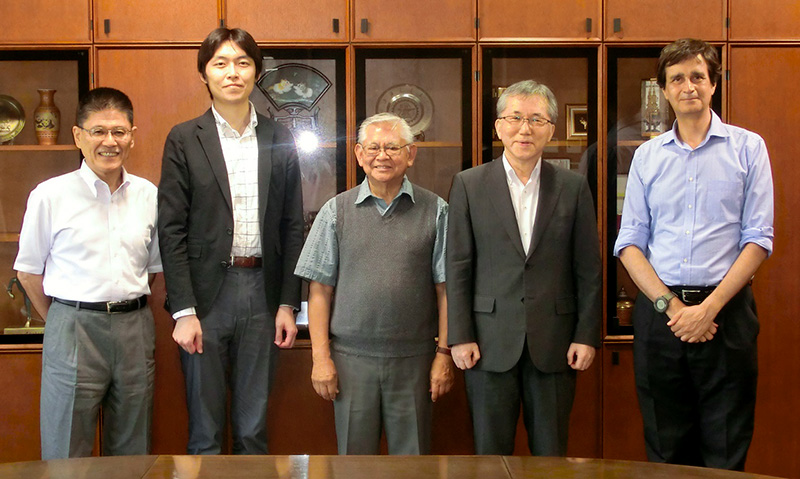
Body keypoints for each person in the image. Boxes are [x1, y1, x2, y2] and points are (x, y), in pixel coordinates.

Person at [614, 38, 773, 471]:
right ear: (664, 90)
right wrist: (671, 306)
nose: (688, 86)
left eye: (697, 76)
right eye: (677, 78)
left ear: (713, 84)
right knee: (665, 449)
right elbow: (629, 242)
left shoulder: (748, 148)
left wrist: (708, 308)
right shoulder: (646, 157)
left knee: (725, 446)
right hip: (660, 316)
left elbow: (758, 238)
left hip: (727, 315)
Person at [157, 27, 304, 455]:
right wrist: (183, 310)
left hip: (263, 291)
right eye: (220, 63)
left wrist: (287, 304)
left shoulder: (279, 136)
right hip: (204, 298)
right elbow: (171, 229)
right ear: (204, 74)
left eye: (242, 63)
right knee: (204, 431)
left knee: (253, 430)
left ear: (256, 72)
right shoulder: (184, 138)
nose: (232, 72)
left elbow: (292, 225)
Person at [446, 80, 602, 456]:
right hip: (487, 342)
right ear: (498, 126)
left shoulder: (572, 187)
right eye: (515, 118)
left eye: (536, 119)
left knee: (551, 455)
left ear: (551, 129)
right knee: (490, 454)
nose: (524, 129)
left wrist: (586, 334)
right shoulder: (469, 184)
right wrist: (460, 335)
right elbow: (458, 264)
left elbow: (588, 269)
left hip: (555, 342)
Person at [14, 87, 161, 459]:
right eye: (98, 131)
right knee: (67, 446)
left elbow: (152, 270)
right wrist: (62, 319)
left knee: (133, 444)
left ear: (132, 135)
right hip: (72, 326)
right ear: (78, 136)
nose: (109, 141)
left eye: (119, 131)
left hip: (135, 328)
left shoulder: (149, 195)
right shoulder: (49, 195)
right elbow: (29, 273)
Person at [295, 112, 454, 455]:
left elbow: (446, 290)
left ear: (411, 154)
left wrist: (444, 354)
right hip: (351, 361)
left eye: (393, 147)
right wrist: (320, 358)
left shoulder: (436, 210)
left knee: (412, 467)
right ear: (358, 154)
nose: (382, 155)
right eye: (374, 147)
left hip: (415, 360)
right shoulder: (335, 211)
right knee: (354, 465)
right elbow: (319, 290)